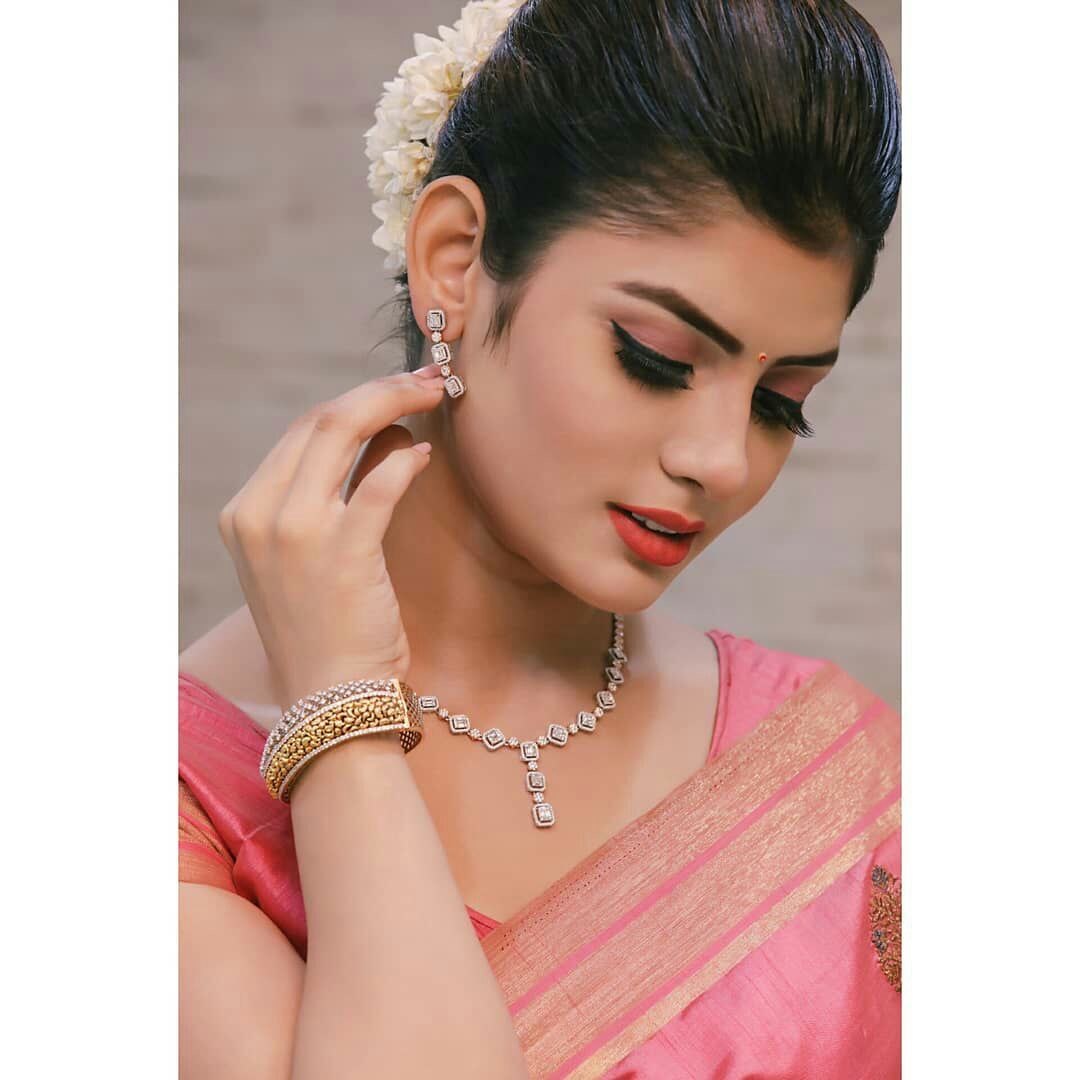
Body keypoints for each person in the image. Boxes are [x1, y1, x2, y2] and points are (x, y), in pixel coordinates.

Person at [178, 0, 901, 1076]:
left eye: (780, 403)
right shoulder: (177, 802)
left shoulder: (836, 773)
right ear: (455, 261)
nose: (722, 460)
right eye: (656, 357)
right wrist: (340, 716)